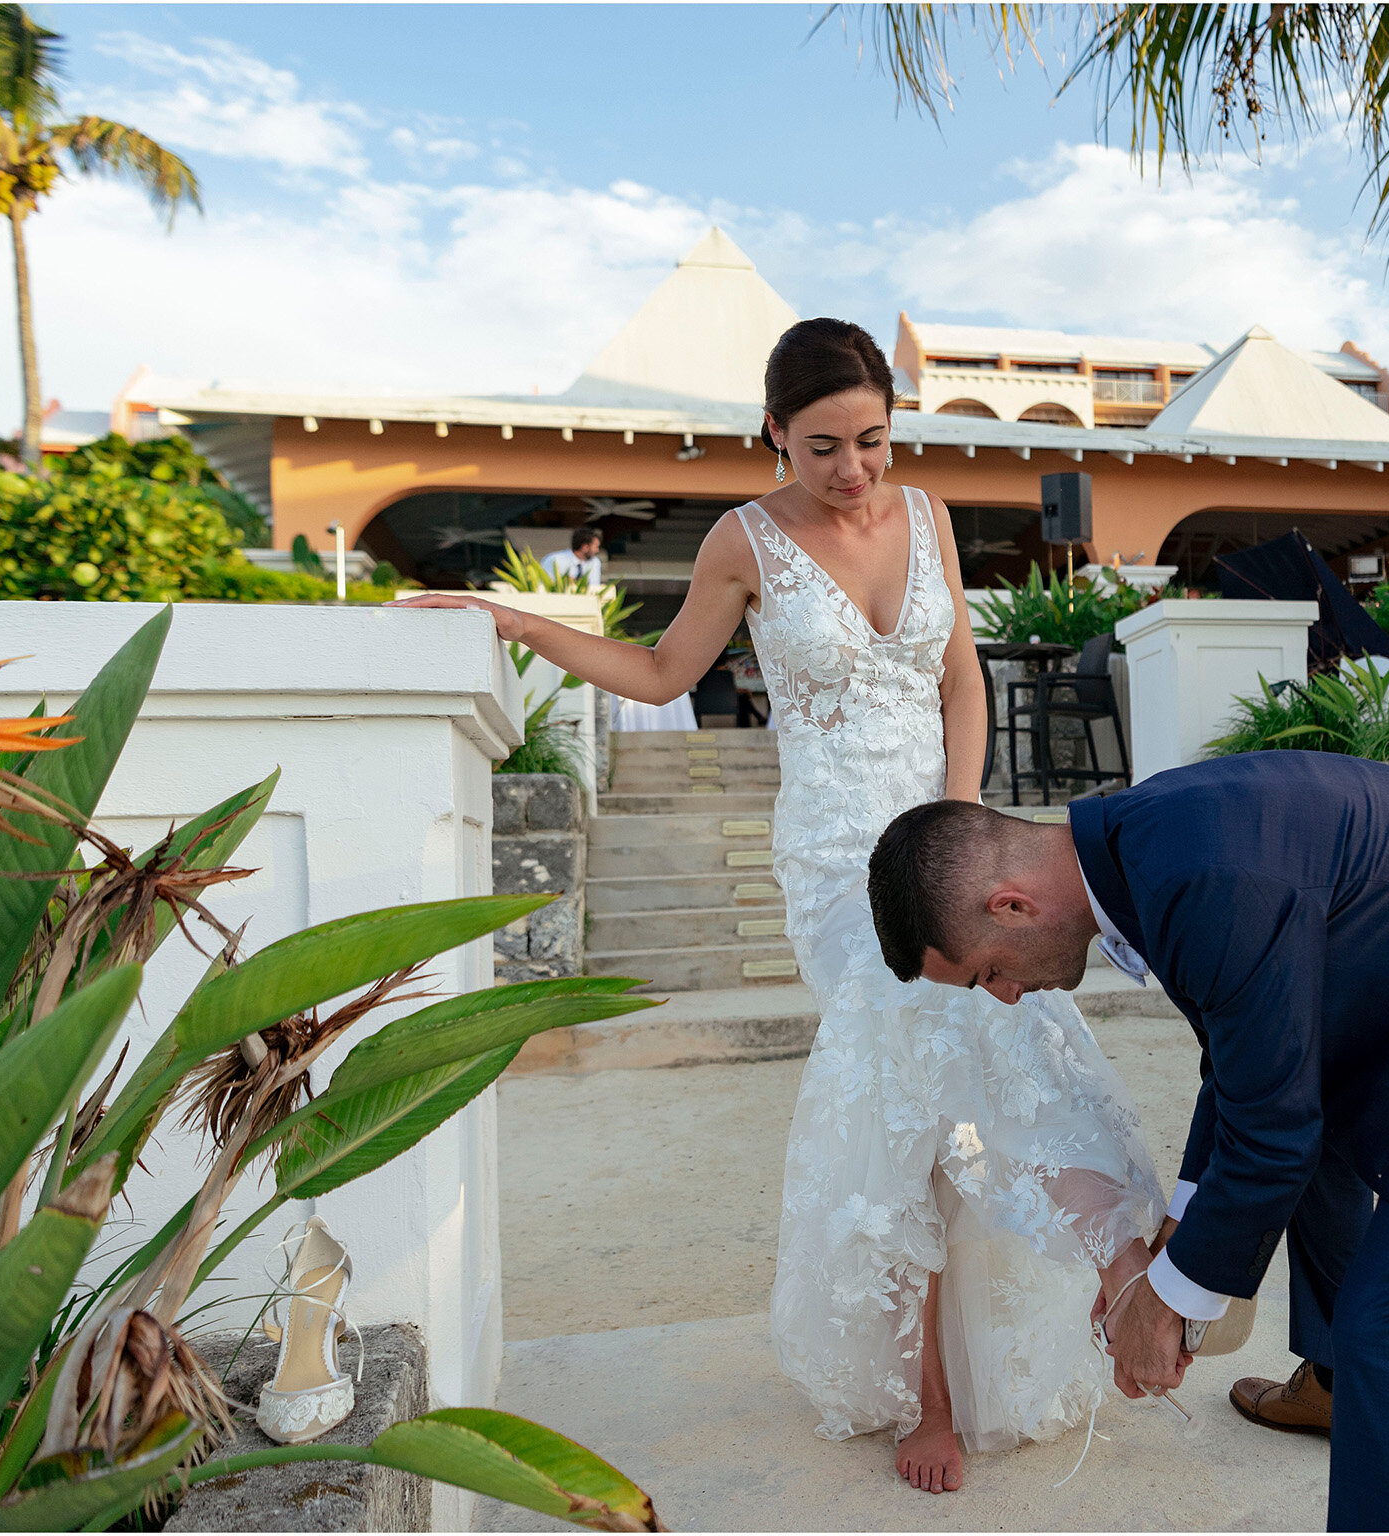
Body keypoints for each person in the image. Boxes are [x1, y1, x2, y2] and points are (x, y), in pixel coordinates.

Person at [395, 318, 1166, 1496]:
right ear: (774, 436)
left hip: (936, 836)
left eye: (870, 439)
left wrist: (953, 824)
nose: (853, 468)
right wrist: (509, 621)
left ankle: (1103, 1289)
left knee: (1008, 1053)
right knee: (907, 1100)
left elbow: (960, 677)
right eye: (822, 448)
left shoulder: (927, 519)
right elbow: (660, 674)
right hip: (831, 860)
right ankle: (930, 1397)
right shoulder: (741, 539)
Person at [864, 751, 1389, 1532]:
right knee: (1313, 1144)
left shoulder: (1200, 878)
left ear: (1010, 906)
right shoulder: (1138, 850)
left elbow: (1273, 1133)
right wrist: (1177, 1236)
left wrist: (1168, 1304)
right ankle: (1333, 1384)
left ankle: (1361, 1383)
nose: (1004, 998)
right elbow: (1242, 1066)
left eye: (984, 975)